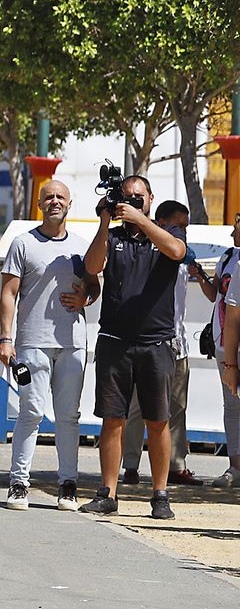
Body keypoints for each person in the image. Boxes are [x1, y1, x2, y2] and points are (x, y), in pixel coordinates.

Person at [79, 175, 186, 520]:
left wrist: (141, 220)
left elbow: (177, 252)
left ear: (151, 198)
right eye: (128, 198)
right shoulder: (113, 237)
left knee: (158, 420)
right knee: (113, 419)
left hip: (157, 343)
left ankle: (160, 495)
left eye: (139, 197)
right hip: (115, 342)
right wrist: (104, 221)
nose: (134, 202)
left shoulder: (168, 232)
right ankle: (107, 493)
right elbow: (92, 266)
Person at [0, 180, 93, 513]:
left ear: (69, 203)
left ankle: (68, 485)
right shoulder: (23, 244)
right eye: (49, 197)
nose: (55, 201)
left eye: (60, 197)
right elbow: (8, 293)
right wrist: (5, 338)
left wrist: (86, 297)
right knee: (31, 412)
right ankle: (19, 483)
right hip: (32, 343)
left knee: (69, 416)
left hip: (72, 344)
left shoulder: (81, 247)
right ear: (39, 204)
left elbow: (94, 286)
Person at [122, 200, 198, 486]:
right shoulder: (148, 250)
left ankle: (176, 465)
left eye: (186, 227)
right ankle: (131, 464)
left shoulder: (181, 253)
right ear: (161, 222)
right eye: (178, 225)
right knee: (136, 407)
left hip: (178, 342)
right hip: (149, 340)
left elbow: (188, 257)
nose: (183, 232)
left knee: (176, 406)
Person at [205, 214, 240, 489]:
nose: (232, 233)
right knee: (232, 406)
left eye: (236, 227)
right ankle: (235, 466)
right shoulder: (229, 258)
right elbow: (220, 300)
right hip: (225, 345)